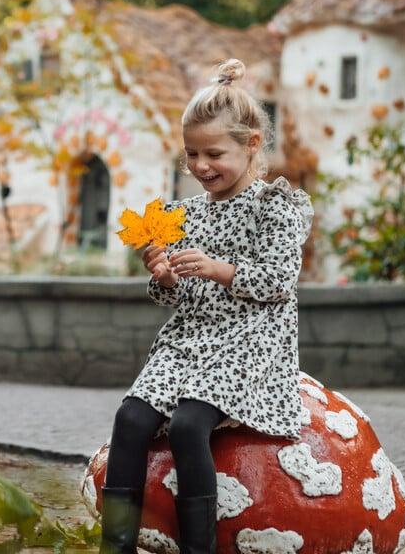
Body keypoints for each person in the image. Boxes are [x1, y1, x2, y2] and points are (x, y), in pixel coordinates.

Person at [99, 58, 315, 554]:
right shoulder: (183, 214)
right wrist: (164, 276)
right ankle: (115, 546)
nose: (200, 166)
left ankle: (200, 548)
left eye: (214, 153)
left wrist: (220, 268)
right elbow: (169, 296)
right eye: (191, 154)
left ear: (252, 145)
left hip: (248, 340)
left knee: (189, 425)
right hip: (189, 340)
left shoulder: (274, 207)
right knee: (130, 419)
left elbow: (280, 280)